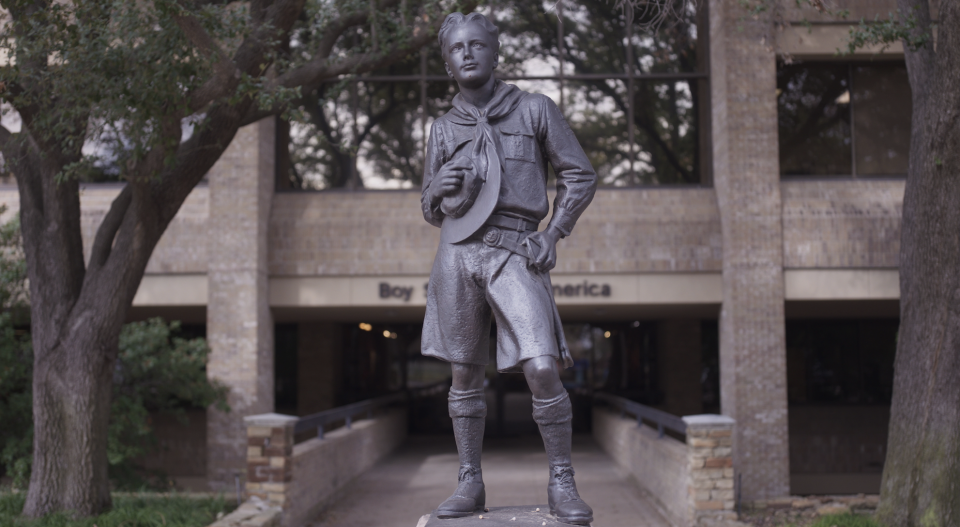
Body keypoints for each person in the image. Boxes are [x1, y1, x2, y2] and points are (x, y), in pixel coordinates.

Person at [420, 11, 598, 526]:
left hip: (515, 250)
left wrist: (554, 232)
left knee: (542, 366)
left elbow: (579, 175)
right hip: (457, 254)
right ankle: (469, 481)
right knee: (462, 373)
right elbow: (430, 210)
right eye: (457, 49)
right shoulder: (441, 127)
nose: (467, 54)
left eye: (477, 45)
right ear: (449, 62)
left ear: (495, 52)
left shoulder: (535, 109)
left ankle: (562, 478)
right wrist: (438, 188)